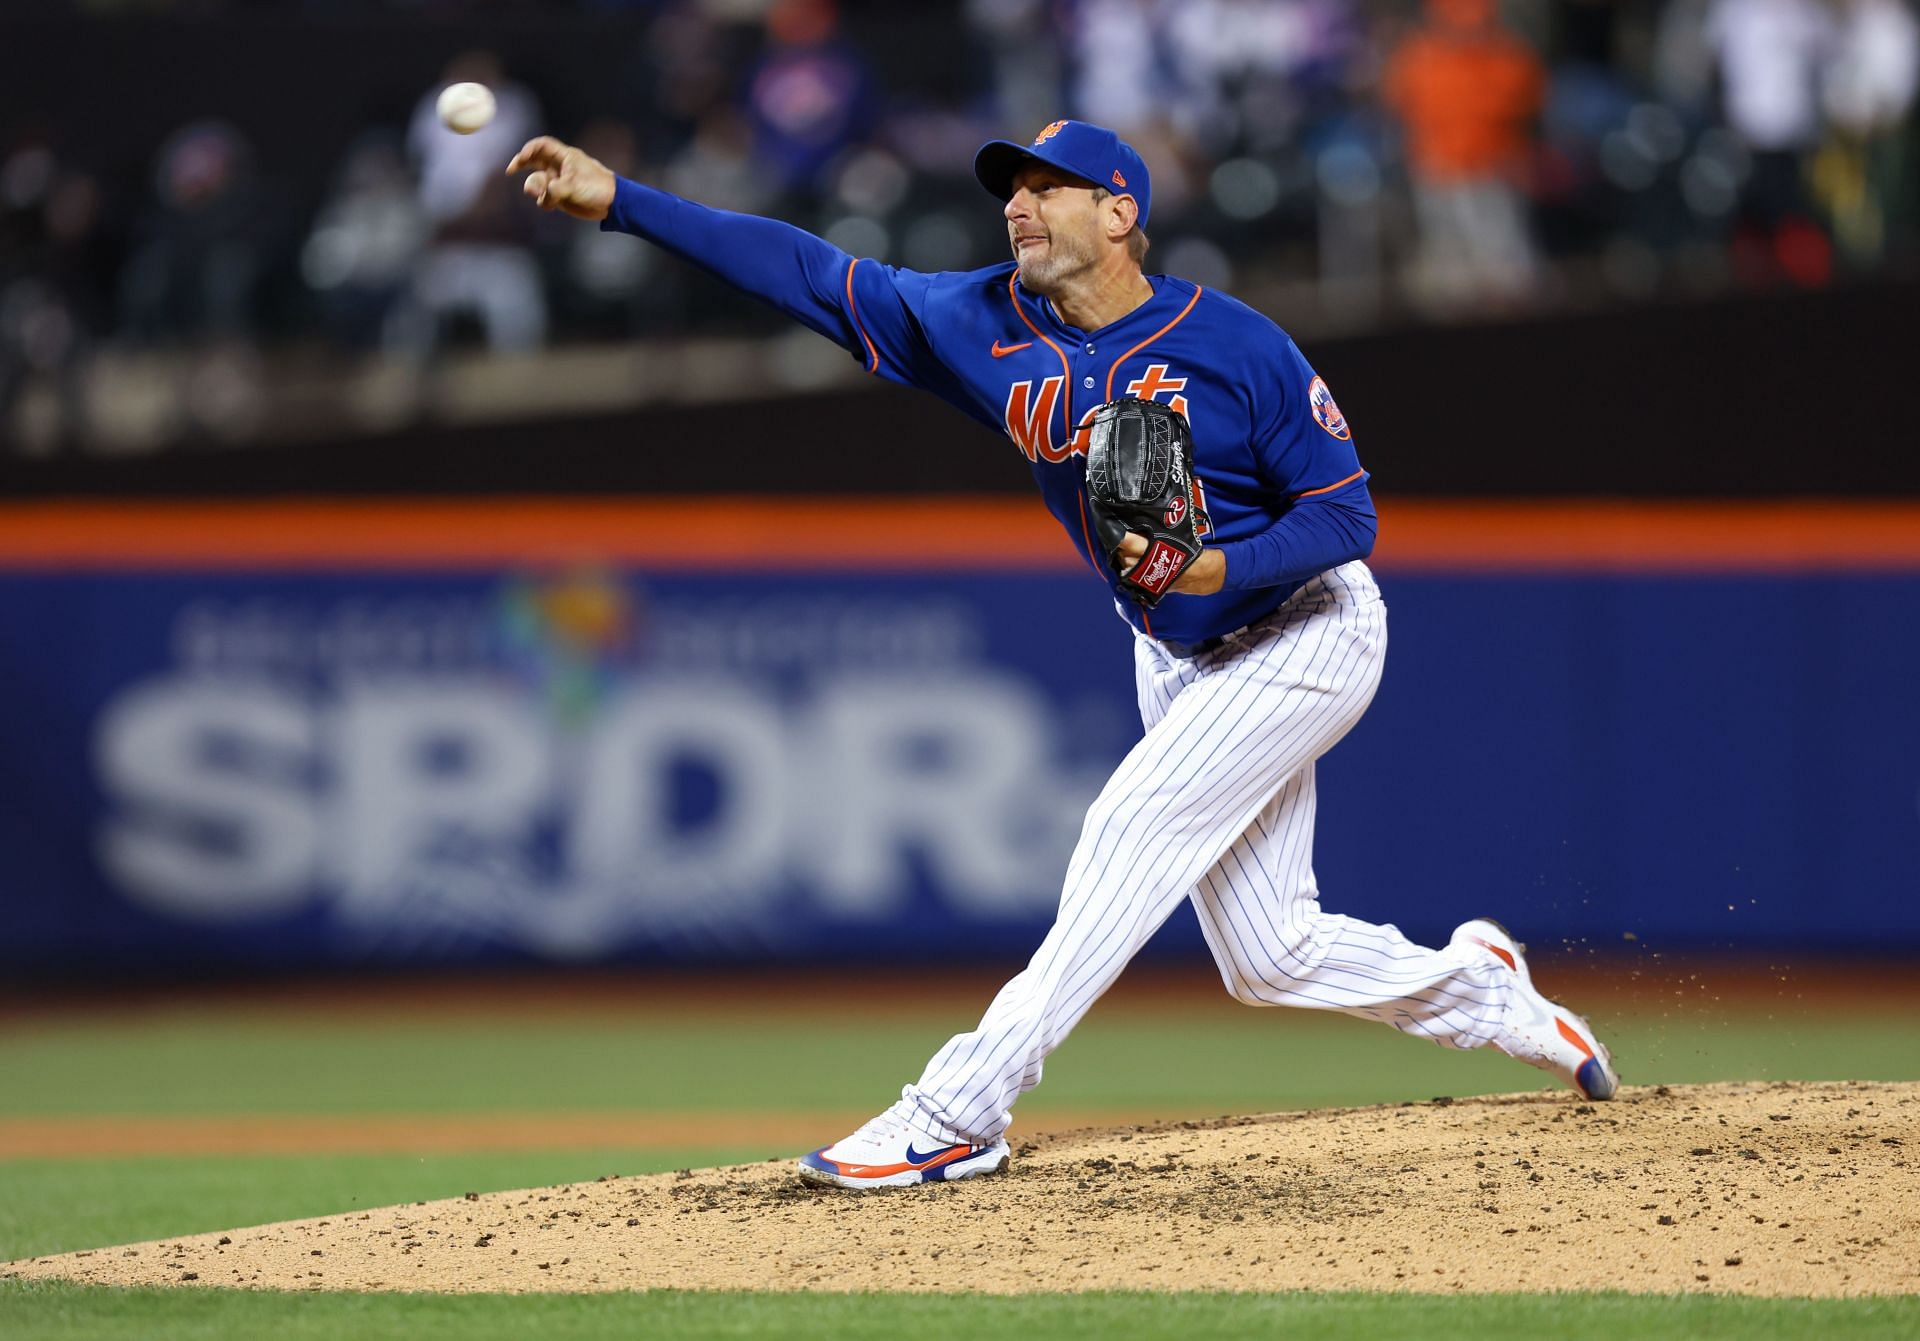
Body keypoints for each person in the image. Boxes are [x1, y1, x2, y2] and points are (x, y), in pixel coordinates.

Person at [507, 117, 1619, 1191]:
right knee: (1269, 956)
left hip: (1305, 630)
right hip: (1174, 653)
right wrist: (625, 205)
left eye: (1046, 187)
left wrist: (1216, 571)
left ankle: (957, 1112)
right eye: (1010, 190)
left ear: (1120, 211)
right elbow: (806, 270)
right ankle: (1482, 992)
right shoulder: (977, 321)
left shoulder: (1235, 344)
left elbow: (1345, 519)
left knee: (1131, 829)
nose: (1019, 207)